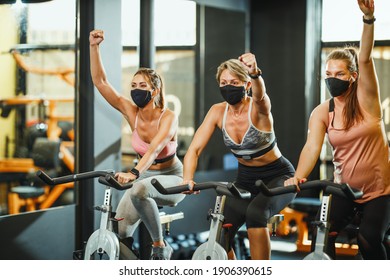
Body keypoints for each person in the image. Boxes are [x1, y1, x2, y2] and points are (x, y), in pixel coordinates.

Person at [284, 0, 390, 260]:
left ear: (353, 77)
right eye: (328, 73)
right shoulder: (323, 112)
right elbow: (312, 147)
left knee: (368, 239)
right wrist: (298, 175)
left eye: (339, 74)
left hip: (380, 191)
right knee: (321, 235)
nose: (332, 79)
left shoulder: (367, 101)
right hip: (344, 189)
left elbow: (364, 58)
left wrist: (368, 19)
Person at [182, 53, 296, 260]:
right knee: (219, 231)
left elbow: (261, 95)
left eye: (234, 82)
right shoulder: (217, 112)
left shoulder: (258, 108)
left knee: (256, 214)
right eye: (223, 83)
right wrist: (187, 179)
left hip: (278, 176)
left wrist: (255, 73)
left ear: (247, 84)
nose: (228, 87)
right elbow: (194, 149)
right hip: (245, 179)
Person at [89, 30, 185, 260]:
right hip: (144, 177)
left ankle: (160, 247)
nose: (136, 89)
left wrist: (133, 173)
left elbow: (154, 149)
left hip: (171, 179)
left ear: (155, 90)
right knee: (118, 232)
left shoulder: (168, 116)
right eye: (133, 84)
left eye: (142, 85)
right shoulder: (132, 112)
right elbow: (100, 82)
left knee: (139, 189)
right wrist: (94, 47)